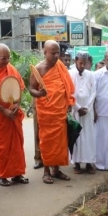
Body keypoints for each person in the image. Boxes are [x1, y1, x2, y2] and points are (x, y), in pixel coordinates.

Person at [29, 40, 75, 184]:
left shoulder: (60, 66)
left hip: (60, 111)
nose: (56, 56)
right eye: (53, 53)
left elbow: (67, 87)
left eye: (58, 53)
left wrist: (68, 103)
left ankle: (56, 170)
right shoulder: (39, 69)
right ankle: (46, 171)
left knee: (60, 143)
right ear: (45, 52)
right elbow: (31, 89)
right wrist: (39, 94)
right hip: (46, 111)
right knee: (47, 142)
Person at [0, 43, 28, 186]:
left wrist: (17, 105)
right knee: (0, 145)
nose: (6, 62)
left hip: (13, 115)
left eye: (8, 58)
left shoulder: (10, 69)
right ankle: (2, 176)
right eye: (3, 58)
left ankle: (17, 174)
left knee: (17, 145)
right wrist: (3, 110)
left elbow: (19, 87)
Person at [69, 52, 96, 174]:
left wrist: (87, 108)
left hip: (87, 112)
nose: (82, 65)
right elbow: (69, 93)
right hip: (75, 111)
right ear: (75, 61)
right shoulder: (69, 74)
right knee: (76, 137)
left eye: (85, 63)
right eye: (80, 63)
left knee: (89, 137)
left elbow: (93, 92)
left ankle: (89, 163)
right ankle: (77, 164)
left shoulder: (90, 74)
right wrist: (77, 108)